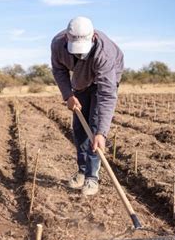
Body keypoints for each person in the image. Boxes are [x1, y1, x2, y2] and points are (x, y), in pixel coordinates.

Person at [51, 16, 124, 196]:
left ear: (92, 38)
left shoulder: (104, 54)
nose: (78, 53)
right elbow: (59, 70)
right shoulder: (57, 44)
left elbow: (107, 94)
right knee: (79, 128)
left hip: (103, 81)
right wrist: (68, 95)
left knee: (94, 127)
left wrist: (102, 133)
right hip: (80, 81)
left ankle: (92, 177)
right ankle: (83, 171)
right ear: (67, 38)